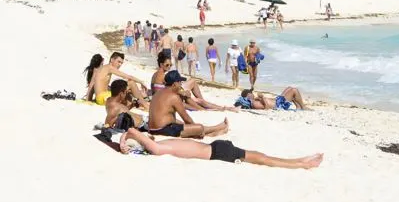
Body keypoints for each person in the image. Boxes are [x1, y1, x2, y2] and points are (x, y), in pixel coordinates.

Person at [118, 128, 323, 169]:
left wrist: (128, 136)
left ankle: (301, 164)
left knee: (264, 159)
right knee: (262, 157)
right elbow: (144, 138)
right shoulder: (162, 143)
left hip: (217, 152)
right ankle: (300, 161)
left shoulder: (161, 148)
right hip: (214, 149)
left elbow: (148, 143)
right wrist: (126, 138)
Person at [148, 70, 228, 138]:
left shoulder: (158, 93)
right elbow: (187, 119)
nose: (181, 86)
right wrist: (196, 130)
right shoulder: (174, 97)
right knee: (198, 127)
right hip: (163, 130)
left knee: (182, 124)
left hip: (152, 129)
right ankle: (217, 128)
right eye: (180, 83)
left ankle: (213, 132)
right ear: (174, 84)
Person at [237, 87, 306, 111]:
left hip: (277, 101)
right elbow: (266, 108)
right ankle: (303, 107)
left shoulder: (254, 101)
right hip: (279, 105)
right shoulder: (254, 103)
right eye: (251, 93)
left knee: (289, 88)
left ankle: (299, 107)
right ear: (248, 95)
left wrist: (260, 98)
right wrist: (262, 97)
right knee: (294, 90)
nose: (253, 94)